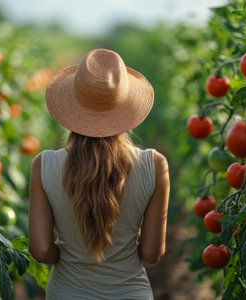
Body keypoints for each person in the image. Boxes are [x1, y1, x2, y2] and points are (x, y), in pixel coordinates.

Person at [28, 48, 170, 300]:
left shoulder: (44, 165)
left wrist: (65, 250)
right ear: (125, 105)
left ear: (73, 102)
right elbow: (151, 254)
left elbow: (40, 250)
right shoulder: (155, 165)